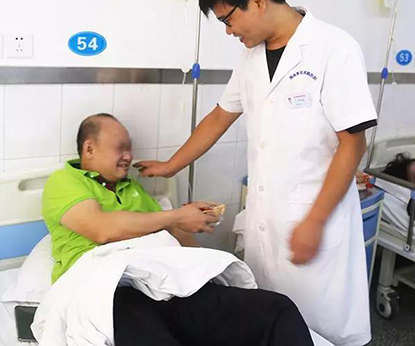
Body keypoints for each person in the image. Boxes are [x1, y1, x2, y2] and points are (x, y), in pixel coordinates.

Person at [136, 0, 377, 346]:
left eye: (228, 19)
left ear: (258, 0)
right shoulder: (250, 56)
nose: (229, 31)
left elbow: (353, 143)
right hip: (268, 221)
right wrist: (170, 166)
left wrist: (315, 221)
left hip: (315, 220)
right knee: (266, 326)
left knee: (318, 332)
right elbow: (220, 116)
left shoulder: (334, 48)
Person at [42, 113, 315, 346]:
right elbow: (101, 229)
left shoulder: (134, 190)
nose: (129, 156)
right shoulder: (65, 182)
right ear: (89, 149)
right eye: (121, 148)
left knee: (277, 310)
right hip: (112, 291)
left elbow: (174, 241)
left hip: (165, 283)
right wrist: (175, 216)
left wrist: (192, 230)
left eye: (130, 149)